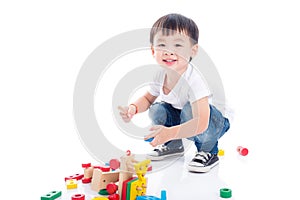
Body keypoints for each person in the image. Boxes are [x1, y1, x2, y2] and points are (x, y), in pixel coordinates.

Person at [118, 13, 230, 173]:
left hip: (211, 122)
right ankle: (174, 145)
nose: (169, 52)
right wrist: (134, 108)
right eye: (162, 45)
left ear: (193, 51)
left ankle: (208, 151)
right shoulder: (159, 74)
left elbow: (202, 122)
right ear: (152, 50)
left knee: (189, 111)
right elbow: (147, 99)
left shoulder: (194, 80)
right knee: (158, 109)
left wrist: (169, 132)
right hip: (184, 117)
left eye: (178, 46)